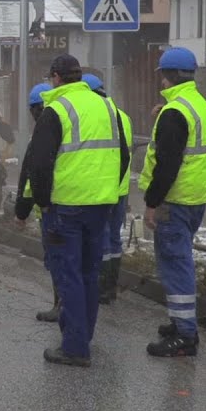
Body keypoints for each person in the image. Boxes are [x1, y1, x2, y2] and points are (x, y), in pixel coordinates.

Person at [15, 55, 128, 367]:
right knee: (90, 273)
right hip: (101, 204)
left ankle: (76, 347)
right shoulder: (107, 106)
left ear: (55, 77)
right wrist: (107, 191)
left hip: (66, 208)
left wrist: (40, 201)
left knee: (68, 276)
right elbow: (124, 155)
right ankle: (82, 336)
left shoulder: (56, 110)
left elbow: (37, 164)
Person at [138, 46, 206, 358]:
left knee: (175, 264)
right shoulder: (198, 104)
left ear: (167, 76)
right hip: (196, 197)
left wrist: (152, 202)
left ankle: (185, 335)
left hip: (175, 199)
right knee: (178, 261)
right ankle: (180, 322)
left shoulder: (174, 113)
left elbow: (167, 164)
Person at [82, 73, 133, 306]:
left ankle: (101, 287)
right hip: (120, 189)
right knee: (114, 238)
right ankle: (111, 286)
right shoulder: (123, 116)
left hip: (101, 190)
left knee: (101, 239)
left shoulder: (97, 117)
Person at [14, 82, 59, 323]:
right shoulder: (69, 123)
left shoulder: (45, 131)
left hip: (54, 208)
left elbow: (32, 173)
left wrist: (22, 211)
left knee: (59, 261)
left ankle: (61, 306)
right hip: (88, 203)